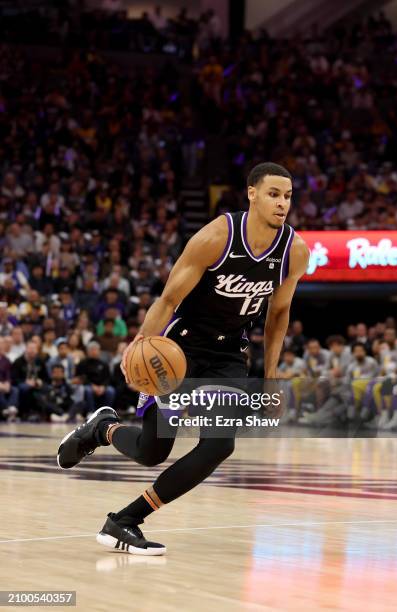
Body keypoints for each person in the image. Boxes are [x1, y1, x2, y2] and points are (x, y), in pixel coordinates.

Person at [57, 162, 309, 556]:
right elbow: (169, 299)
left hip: (227, 355)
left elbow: (278, 315)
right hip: (180, 351)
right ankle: (102, 429)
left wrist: (272, 375)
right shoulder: (216, 237)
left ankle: (124, 520)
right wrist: (140, 342)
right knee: (151, 451)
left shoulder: (294, 251)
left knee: (219, 445)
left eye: (288, 196)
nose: (282, 203)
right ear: (252, 194)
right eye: (274, 194)